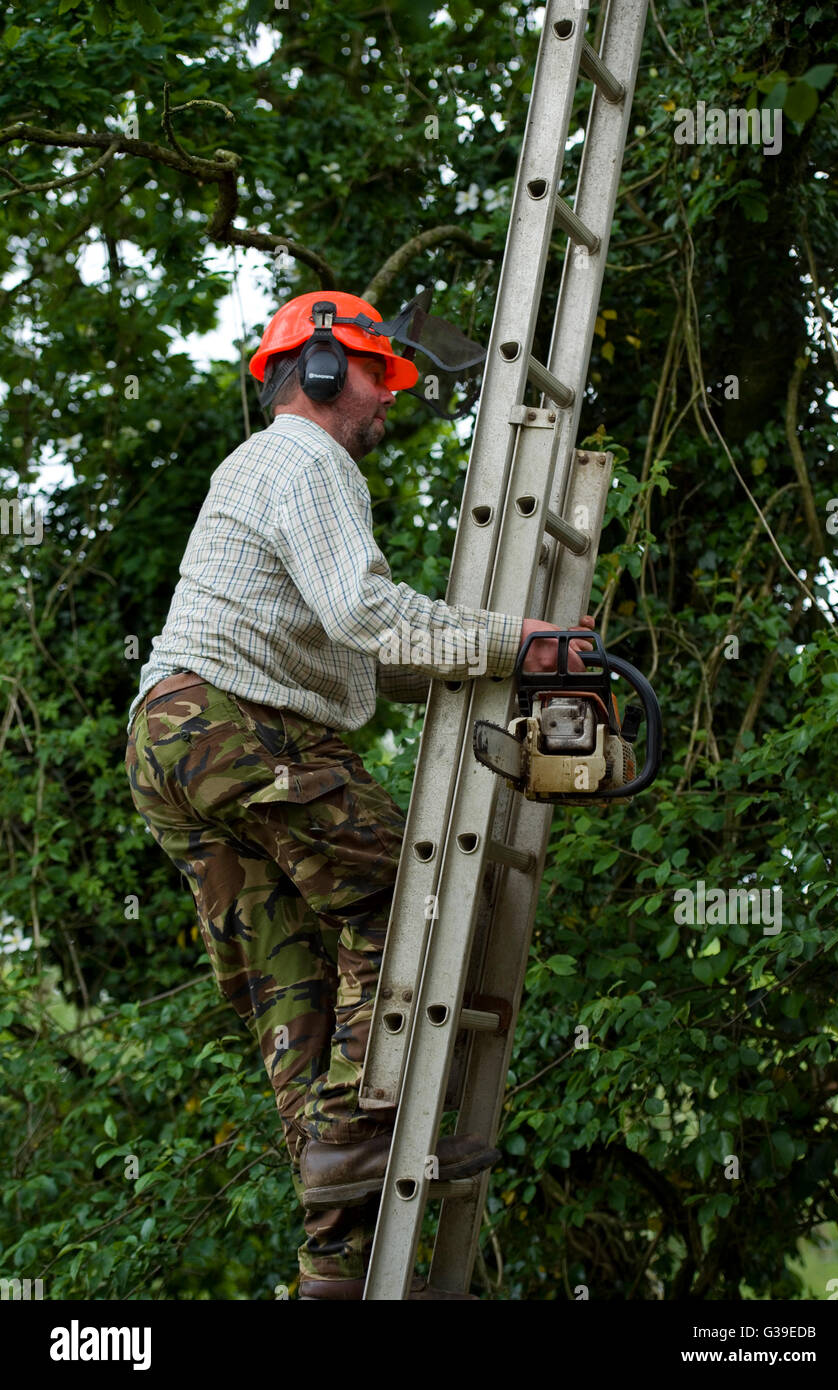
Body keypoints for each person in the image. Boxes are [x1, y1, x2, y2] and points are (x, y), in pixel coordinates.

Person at [124, 289, 595, 1300]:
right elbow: (367, 613)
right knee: (414, 891)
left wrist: (499, 660)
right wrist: (530, 642)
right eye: (385, 377)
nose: (391, 403)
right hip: (232, 723)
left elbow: (363, 659)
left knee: (293, 995)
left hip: (173, 740)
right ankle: (356, 1161)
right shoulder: (307, 458)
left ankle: (338, 1269)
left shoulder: (260, 469)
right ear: (332, 368)